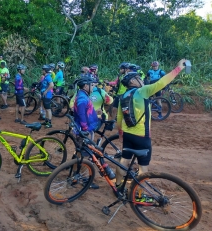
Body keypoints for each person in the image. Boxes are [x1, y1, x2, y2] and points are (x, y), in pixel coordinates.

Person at [115, 59, 188, 191]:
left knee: (124, 160)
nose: (141, 79)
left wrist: (121, 134)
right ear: (132, 81)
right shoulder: (142, 91)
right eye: (138, 78)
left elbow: (119, 118)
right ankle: (138, 194)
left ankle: (118, 186)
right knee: (143, 167)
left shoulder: (123, 96)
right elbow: (162, 82)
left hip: (127, 134)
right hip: (142, 136)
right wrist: (178, 68)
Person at [73, 76, 101, 189]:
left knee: (79, 153)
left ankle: (75, 175)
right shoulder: (82, 98)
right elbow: (82, 115)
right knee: (85, 155)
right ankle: (83, 179)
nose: (93, 87)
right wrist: (85, 130)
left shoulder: (82, 95)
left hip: (84, 129)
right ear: (85, 86)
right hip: (84, 130)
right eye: (92, 85)